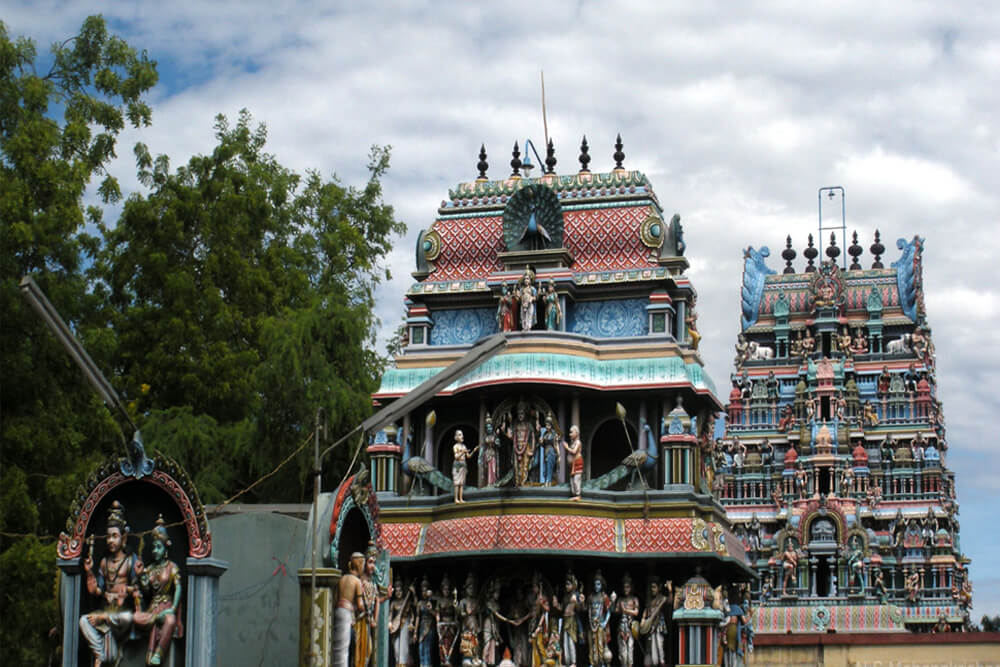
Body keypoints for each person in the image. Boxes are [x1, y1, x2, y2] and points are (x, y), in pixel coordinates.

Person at [80, 501, 143, 667]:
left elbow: (137, 589)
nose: (110, 540)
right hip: (107, 610)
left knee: (127, 618)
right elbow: (96, 590)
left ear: (124, 537)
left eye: (115, 536)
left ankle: (104, 652)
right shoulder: (104, 562)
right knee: (84, 621)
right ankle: (102, 654)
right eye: (108, 536)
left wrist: (132, 583)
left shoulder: (131, 560)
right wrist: (89, 572)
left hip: (121, 614)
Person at [133, 516, 182, 666]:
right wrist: (141, 576)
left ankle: (158, 653)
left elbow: (178, 587)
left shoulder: (172, 567)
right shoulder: (149, 569)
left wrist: (173, 608)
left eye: (158, 547)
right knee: (136, 617)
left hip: (166, 607)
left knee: (170, 620)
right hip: (152, 609)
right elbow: (147, 590)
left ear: (165, 548)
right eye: (153, 547)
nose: (155, 551)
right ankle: (156, 620)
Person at [333, 553, 365, 667]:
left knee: (338, 647)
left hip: (337, 612)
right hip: (347, 614)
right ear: (359, 565)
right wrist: (365, 609)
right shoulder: (357, 581)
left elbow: (335, 599)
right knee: (344, 650)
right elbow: (360, 605)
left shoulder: (341, 579)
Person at [639, 577, 669, 667]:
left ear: (659, 588)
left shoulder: (662, 598)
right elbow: (645, 613)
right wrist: (643, 621)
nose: (653, 589)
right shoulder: (650, 602)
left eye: (654, 587)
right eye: (651, 587)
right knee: (653, 650)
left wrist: (670, 591)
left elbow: (670, 601)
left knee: (660, 646)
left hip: (659, 625)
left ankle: (662, 662)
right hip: (651, 627)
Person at [587, 572, 614, 667]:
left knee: (600, 644)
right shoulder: (590, 597)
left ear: (602, 585)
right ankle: (592, 662)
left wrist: (605, 622)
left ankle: (601, 662)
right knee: (592, 644)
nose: (596, 586)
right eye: (595, 584)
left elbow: (609, 611)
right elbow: (588, 609)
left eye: (598, 584)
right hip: (591, 624)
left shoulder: (604, 597)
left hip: (600, 623)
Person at [388, 579, 416, 667]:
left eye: (400, 590)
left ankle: (403, 664)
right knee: (396, 648)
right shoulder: (393, 603)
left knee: (404, 648)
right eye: (396, 591)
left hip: (405, 624)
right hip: (396, 627)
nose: (398, 593)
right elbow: (390, 614)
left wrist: (414, 593)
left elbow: (413, 612)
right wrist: (389, 622)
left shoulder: (406, 601)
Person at [615, 574, 640, 667]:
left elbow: (636, 612)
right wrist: (613, 601)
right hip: (621, 627)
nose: (626, 589)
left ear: (631, 588)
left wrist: (625, 610)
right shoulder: (620, 600)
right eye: (624, 587)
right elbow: (616, 611)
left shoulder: (634, 599)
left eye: (628, 587)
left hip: (630, 626)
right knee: (622, 654)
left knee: (630, 651)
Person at [452, 430, 478, 503]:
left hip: (463, 465)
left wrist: (474, 451)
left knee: (461, 483)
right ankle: (456, 499)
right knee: (457, 483)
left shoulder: (464, 446)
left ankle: (461, 498)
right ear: (456, 437)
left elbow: (468, 456)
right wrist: (462, 452)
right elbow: (456, 457)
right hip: (457, 465)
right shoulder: (455, 446)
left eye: (462, 435)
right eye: (460, 435)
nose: (462, 436)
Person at [563, 425, 583, 501]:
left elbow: (574, 452)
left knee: (576, 480)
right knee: (572, 480)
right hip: (573, 465)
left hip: (577, 463)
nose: (570, 434)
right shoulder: (573, 442)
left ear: (576, 433)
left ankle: (578, 495)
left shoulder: (578, 442)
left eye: (571, 432)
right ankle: (574, 494)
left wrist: (567, 447)